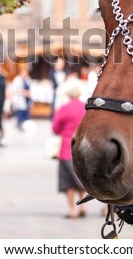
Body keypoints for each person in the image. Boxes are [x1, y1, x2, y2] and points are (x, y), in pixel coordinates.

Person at [51, 78, 87, 219]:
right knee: (80, 179)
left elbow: (55, 128)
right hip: (83, 147)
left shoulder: (64, 108)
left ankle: (72, 209)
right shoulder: (85, 107)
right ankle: (82, 205)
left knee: (68, 182)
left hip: (66, 148)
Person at [9, 67, 32, 131]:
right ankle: (19, 125)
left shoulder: (28, 79)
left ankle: (26, 125)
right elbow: (15, 89)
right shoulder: (17, 80)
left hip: (27, 99)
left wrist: (28, 93)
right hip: (20, 99)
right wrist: (23, 92)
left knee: (26, 113)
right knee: (20, 113)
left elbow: (30, 87)